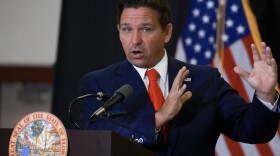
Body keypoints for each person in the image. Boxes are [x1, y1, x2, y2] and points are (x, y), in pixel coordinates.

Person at [79, 0, 280, 155]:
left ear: (166, 33)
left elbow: (252, 130)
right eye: (127, 29)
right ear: (118, 31)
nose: (135, 40)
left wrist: (264, 96)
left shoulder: (204, 80)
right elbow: (94, 134)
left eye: (146, 29)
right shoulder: (98, 83)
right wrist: (157, 119)